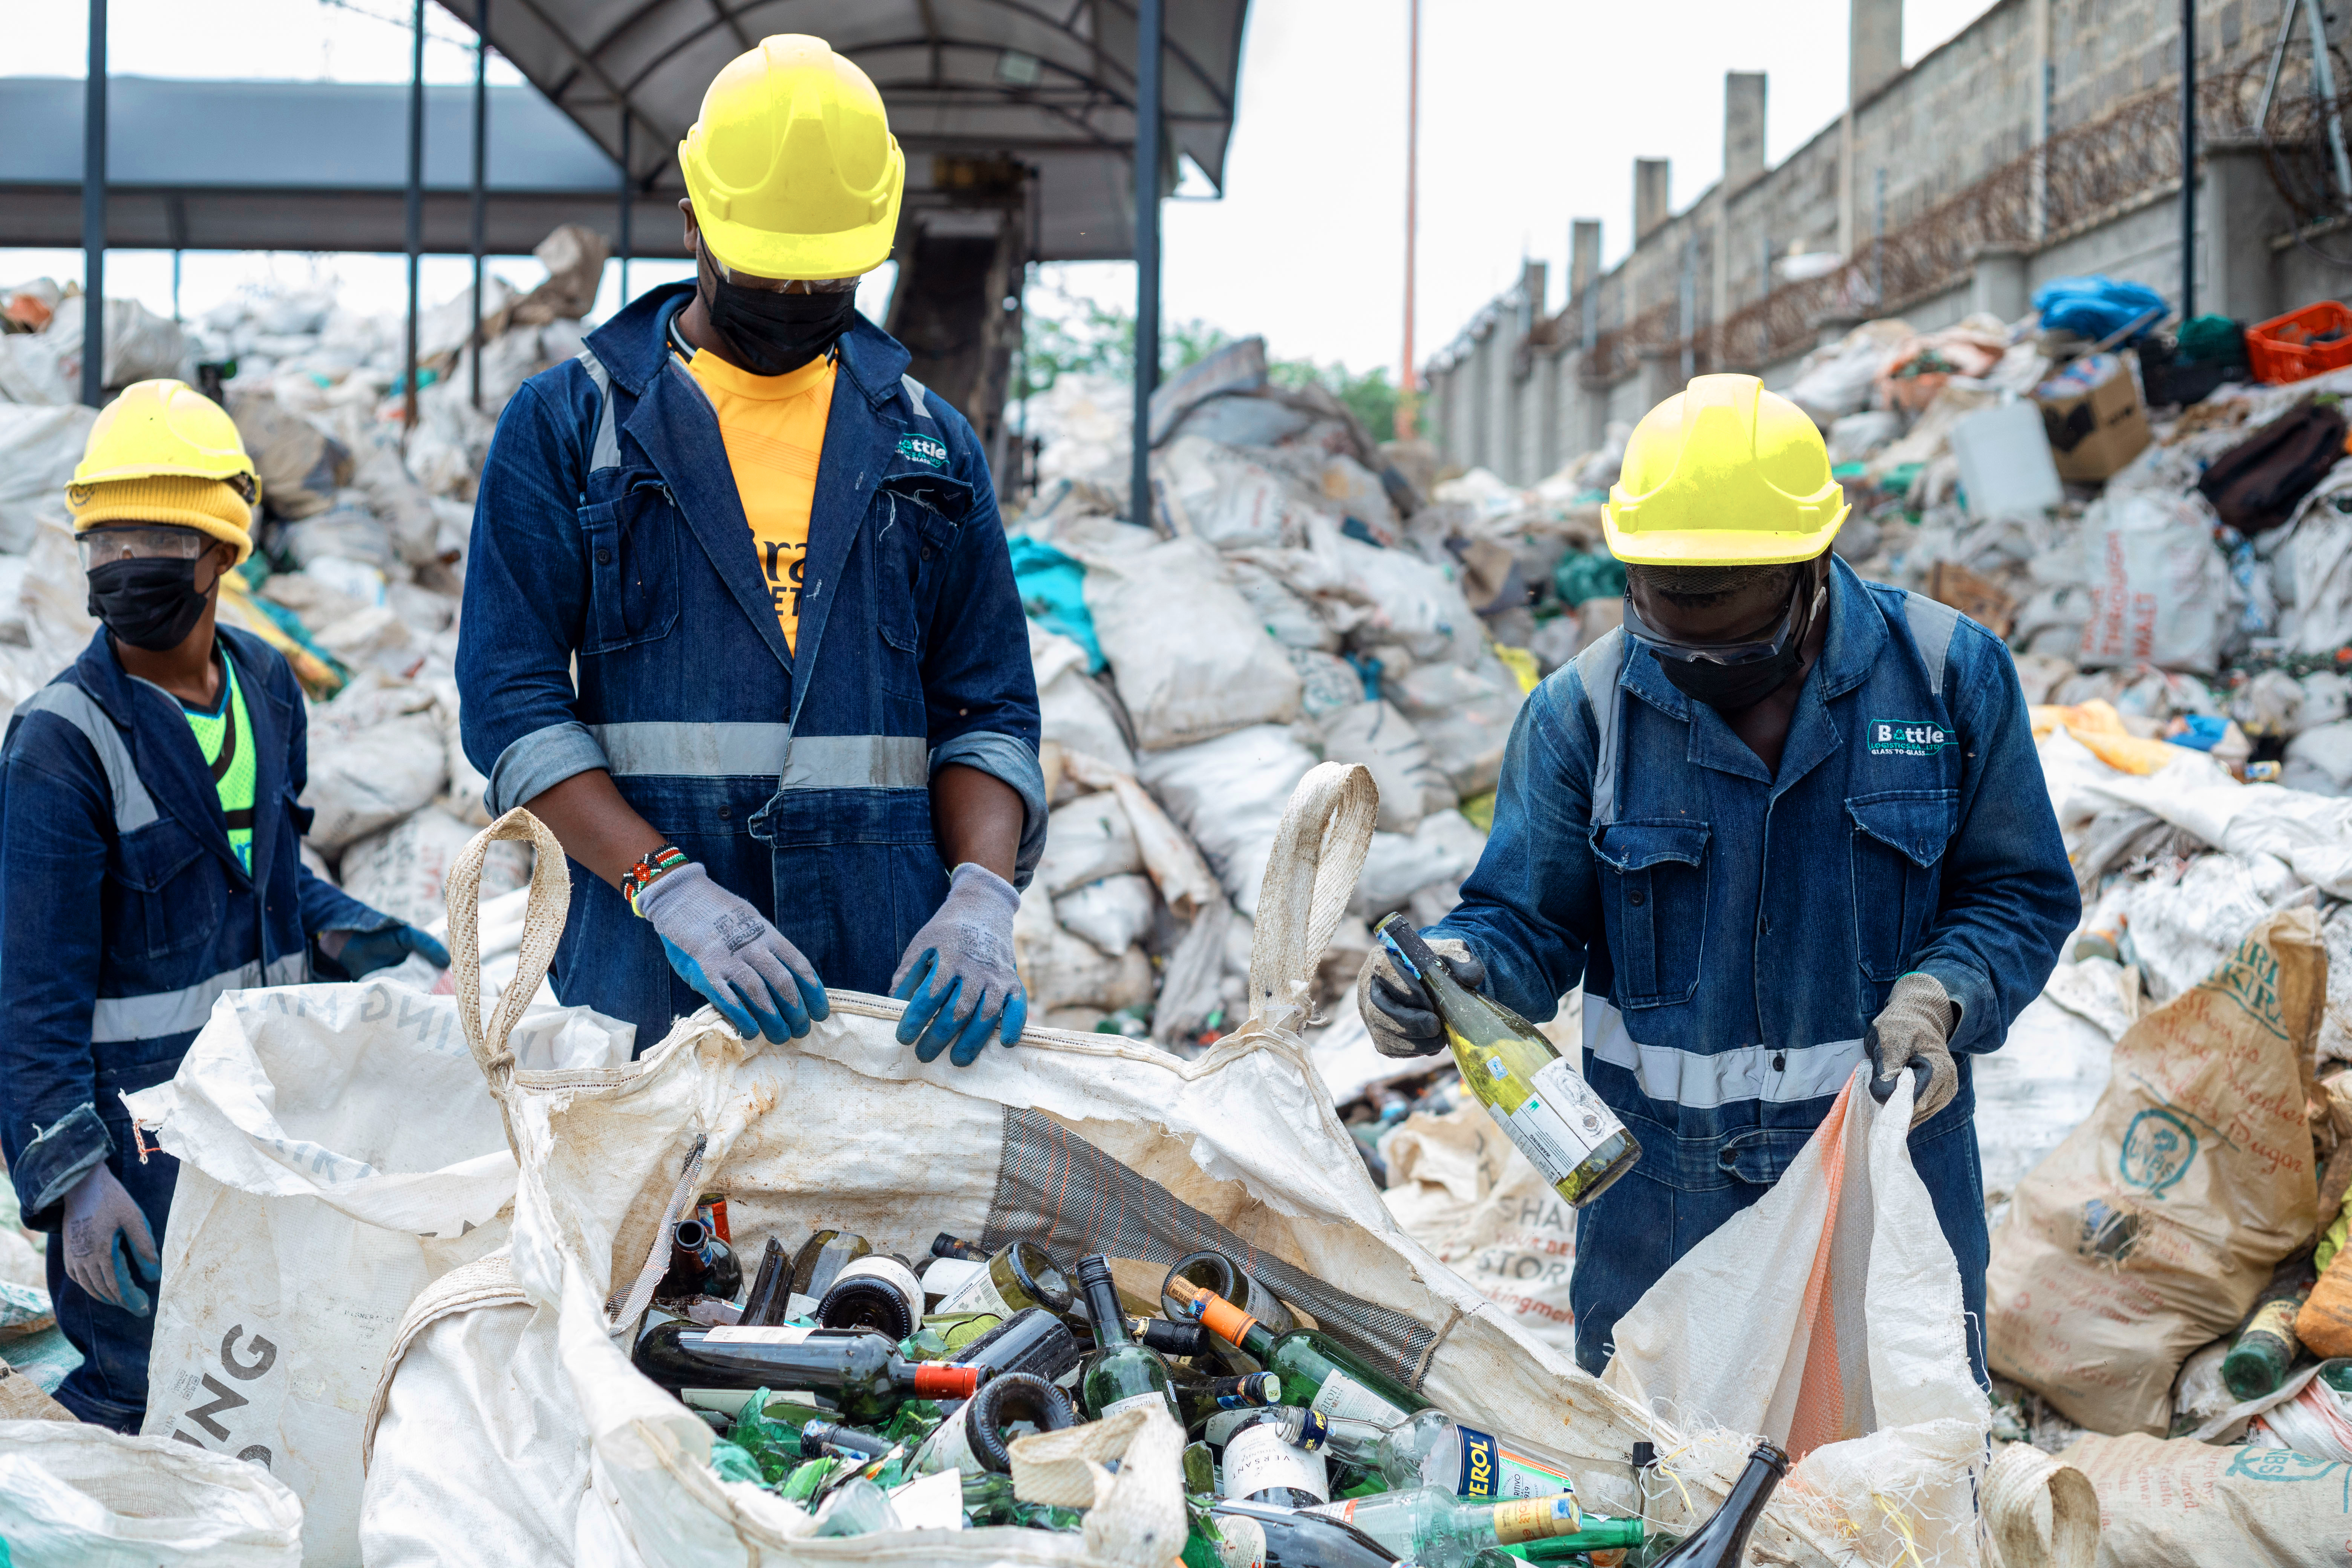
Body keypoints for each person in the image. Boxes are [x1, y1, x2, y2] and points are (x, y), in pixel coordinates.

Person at [1356, 374, 2076, 1382]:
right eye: (1662, 596)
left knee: (1887, 1500)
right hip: (1663, 1210)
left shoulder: (1949, 675)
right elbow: (1526, 921)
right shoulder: (1583, 714)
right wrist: (1458, 971)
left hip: (1885, 1186)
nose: (1687, 632)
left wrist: (1943, 997)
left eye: (1718, 601)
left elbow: (2020, 893)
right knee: (1667, 1493)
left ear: (1807, 566)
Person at [457, 34, 1041, 1065]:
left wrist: (984, 894)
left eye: (826, 278)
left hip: (882, 995)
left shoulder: (930, 445)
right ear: (692, 221)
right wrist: (667, 887)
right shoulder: (571, 426)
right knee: (663, 1228)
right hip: (648, 987)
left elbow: (986, 709)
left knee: (871, 1240)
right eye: (768, 272)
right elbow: (512, 704)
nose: (795, 302)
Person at [0, 379, 450, 1429]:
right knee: (146, 1384)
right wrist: (72, 1178)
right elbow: (27, 993)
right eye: (105, 538)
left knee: (268, 1377)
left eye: (155, 535)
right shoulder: (61, 742)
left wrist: (345, 929)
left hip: (265, 1107)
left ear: (221, 550)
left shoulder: (266, 685)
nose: (124, 563)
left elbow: (266, 871)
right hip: (138, 1145)